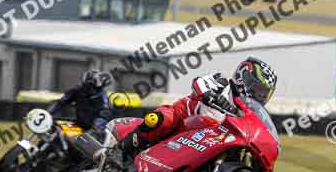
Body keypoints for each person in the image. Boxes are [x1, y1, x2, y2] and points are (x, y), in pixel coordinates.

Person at [116, 57, 277, 160]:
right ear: (243, 77)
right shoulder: (222, 83)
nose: (259, 96)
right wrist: (210, 95)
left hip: (207, 139)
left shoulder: (248, 112)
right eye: (258, 89)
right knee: (158, 120)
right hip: (183, 118)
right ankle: (120, 152)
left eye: (264, 94)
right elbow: (199, 82)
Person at [48, 69, 113, 131]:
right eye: (89, 81)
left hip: (94, 128)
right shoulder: (78, 90)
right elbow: (61, 102)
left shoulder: (102, 95)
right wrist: (49, 113)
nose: (90, 85)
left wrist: (98, 125)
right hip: (79, 124)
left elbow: (105, 112)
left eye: (93, 82)